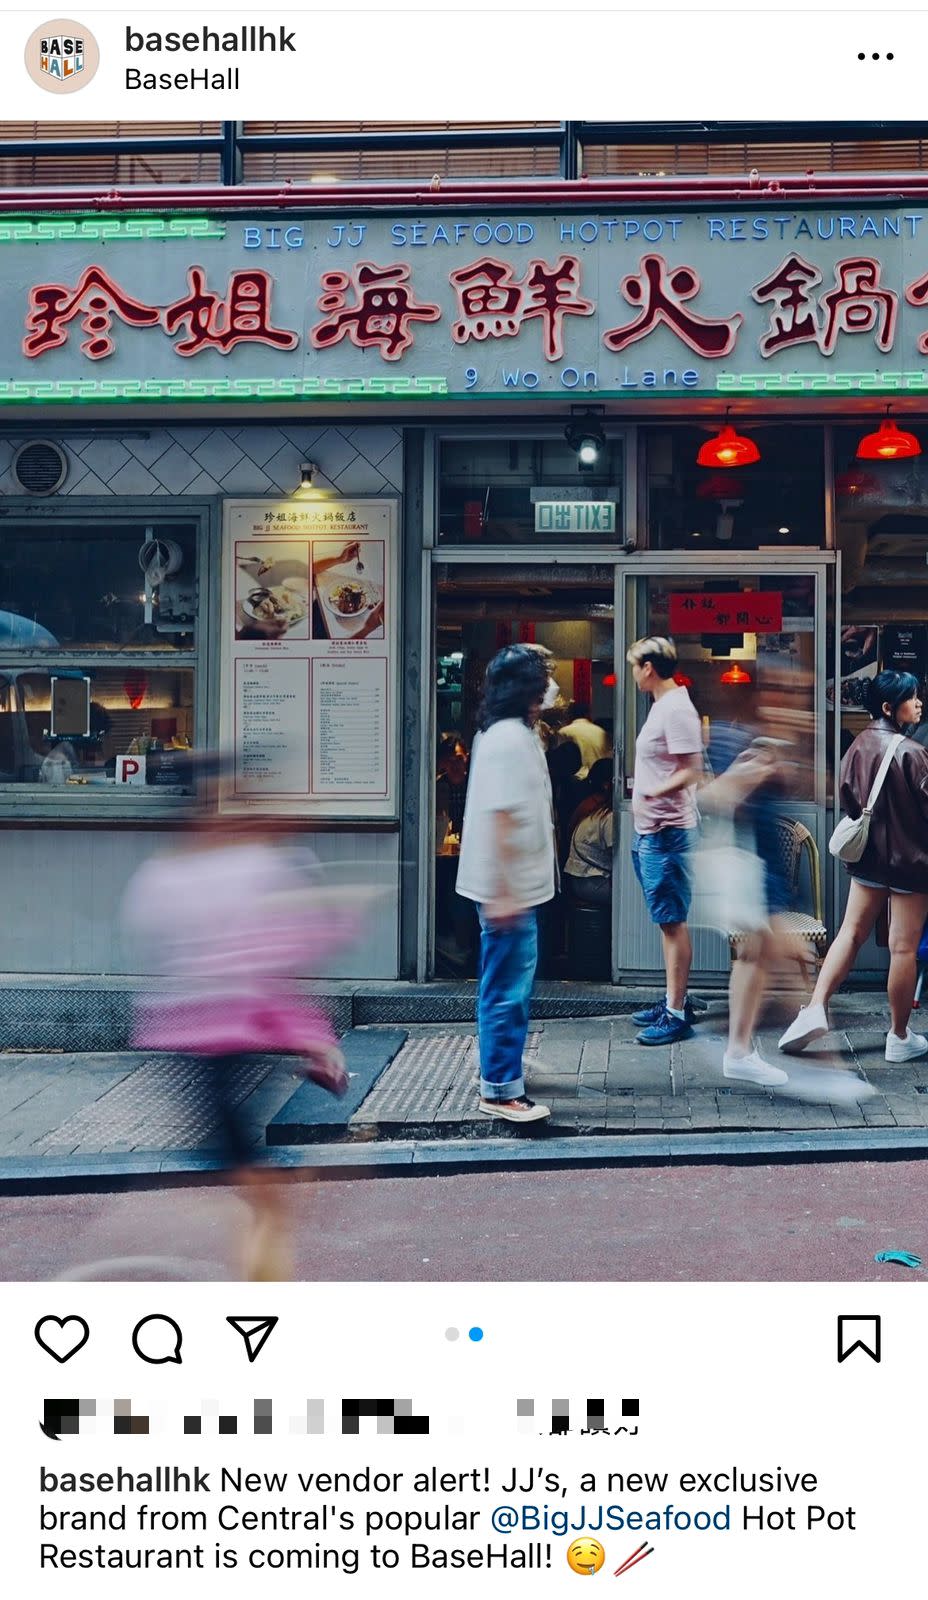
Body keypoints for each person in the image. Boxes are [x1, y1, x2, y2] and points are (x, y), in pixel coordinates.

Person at [779, 670, 928, 1063]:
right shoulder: (914, 754)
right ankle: (898, 1037)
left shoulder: (858, 746)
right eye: (911, 698)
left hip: (869, 861)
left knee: (850, 933)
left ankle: (814, 1008)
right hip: (912, 867)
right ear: (888, 707)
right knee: (902, 949)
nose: (918, 703)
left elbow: (848, 800)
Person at [456, 644, 555, 1123]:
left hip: (511, 887)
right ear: (526, 689)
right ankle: (498, 1089)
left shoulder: (501, 733)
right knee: (506, 989)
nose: (549, 689)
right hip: (508, 890)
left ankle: (504, 1073)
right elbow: (499, 816)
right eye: (542, 680)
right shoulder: (509, 739)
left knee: (505, 984)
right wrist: (505, 891)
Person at [626, 636, 705, 1045]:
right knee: (666, 922)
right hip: (651, 832)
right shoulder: (664, 704)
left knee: (672, 922)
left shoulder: (676, 708)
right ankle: (675, 998)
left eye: (634, 665)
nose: (632, 673)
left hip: (667, 833)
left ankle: (675, 1014)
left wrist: (655, 792)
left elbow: (693, 769)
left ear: (649, 668)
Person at [564, 758, 614, 907]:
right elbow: (617, 854)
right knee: (635, 896)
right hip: (589, 880)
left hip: (579, 876)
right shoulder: (607, 815)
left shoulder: (593, 808)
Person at [559, 702, 611, 778]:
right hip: (600, 778)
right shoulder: (601, 731)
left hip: (575, 780)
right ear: (587, 714)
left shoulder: (564, 732)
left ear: (569, 715)